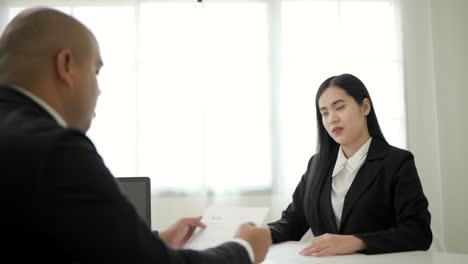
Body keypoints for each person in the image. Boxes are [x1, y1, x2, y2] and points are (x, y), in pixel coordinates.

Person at [0, 7, 271, 263]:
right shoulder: (56, 149)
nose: (99, 91)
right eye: (96, 71)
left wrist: (150, 242)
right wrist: (244, 250)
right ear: (67, 65)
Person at [267, 73, 432, 256]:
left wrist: (357, 241)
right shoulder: (316, 164)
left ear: (365, 107)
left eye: (340, 107)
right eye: (324, 113)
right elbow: (293, 221)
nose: (332, 119)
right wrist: (261, 234)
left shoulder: (398, 162)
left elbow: (419, 232)